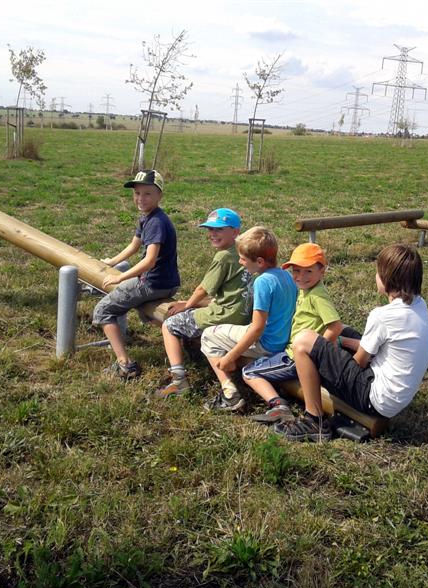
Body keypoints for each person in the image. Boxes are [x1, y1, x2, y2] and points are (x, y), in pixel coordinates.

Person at [275, 243, 428, 442]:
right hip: (396, 399)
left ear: (386, 278)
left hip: (374, 399)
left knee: (304, 341)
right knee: (343, 331)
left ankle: (313, 420)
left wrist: (323, 356)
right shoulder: (419, 305)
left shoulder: (382, 316)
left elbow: (358, 362)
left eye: (377, 272)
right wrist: (339, 343)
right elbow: (375, 347)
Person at [155, 208, 252, 397]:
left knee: (170, 324)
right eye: (210, 230)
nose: (213, 234)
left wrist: (187, 304)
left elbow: (203, 289)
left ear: (235, 232)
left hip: (225, 315)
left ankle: (179, 380)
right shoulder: (244, 252)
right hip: (244, 314)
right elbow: (228, 293)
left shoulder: (223, 256)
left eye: (219, 230)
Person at [93, 169, 180, 379]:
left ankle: (125, 364)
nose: (141, 198)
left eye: (147, 193)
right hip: (167, 281)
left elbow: (149, 261)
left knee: (103, 310)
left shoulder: (156, 222)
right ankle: (183, 342)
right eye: (137, 193)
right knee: (145, 310)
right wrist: (111, 262)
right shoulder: (147, 218)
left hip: (154, 283)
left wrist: (120, 277)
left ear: (160, 195)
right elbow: (134, 246)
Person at [242, 243, 343, 423]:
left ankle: (278, 406)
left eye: (308, 271)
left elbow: (335, 327)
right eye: (296, 271)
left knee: (249, 371)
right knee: (260, 362)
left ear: (322, 271)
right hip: (294, 353)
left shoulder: (317, 297)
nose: (300, 277)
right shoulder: (306, 290)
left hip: (295, 359)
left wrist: (317, 354)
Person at [200, 226, 297, 412]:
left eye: (243, 259)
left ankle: (229, 393)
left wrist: (230, 357)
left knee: (208, 335)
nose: (240, 262)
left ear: (259, 261)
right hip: (282, 340)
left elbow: (257, 328)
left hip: (266, 344)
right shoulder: (287, 275)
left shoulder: (262, 282)